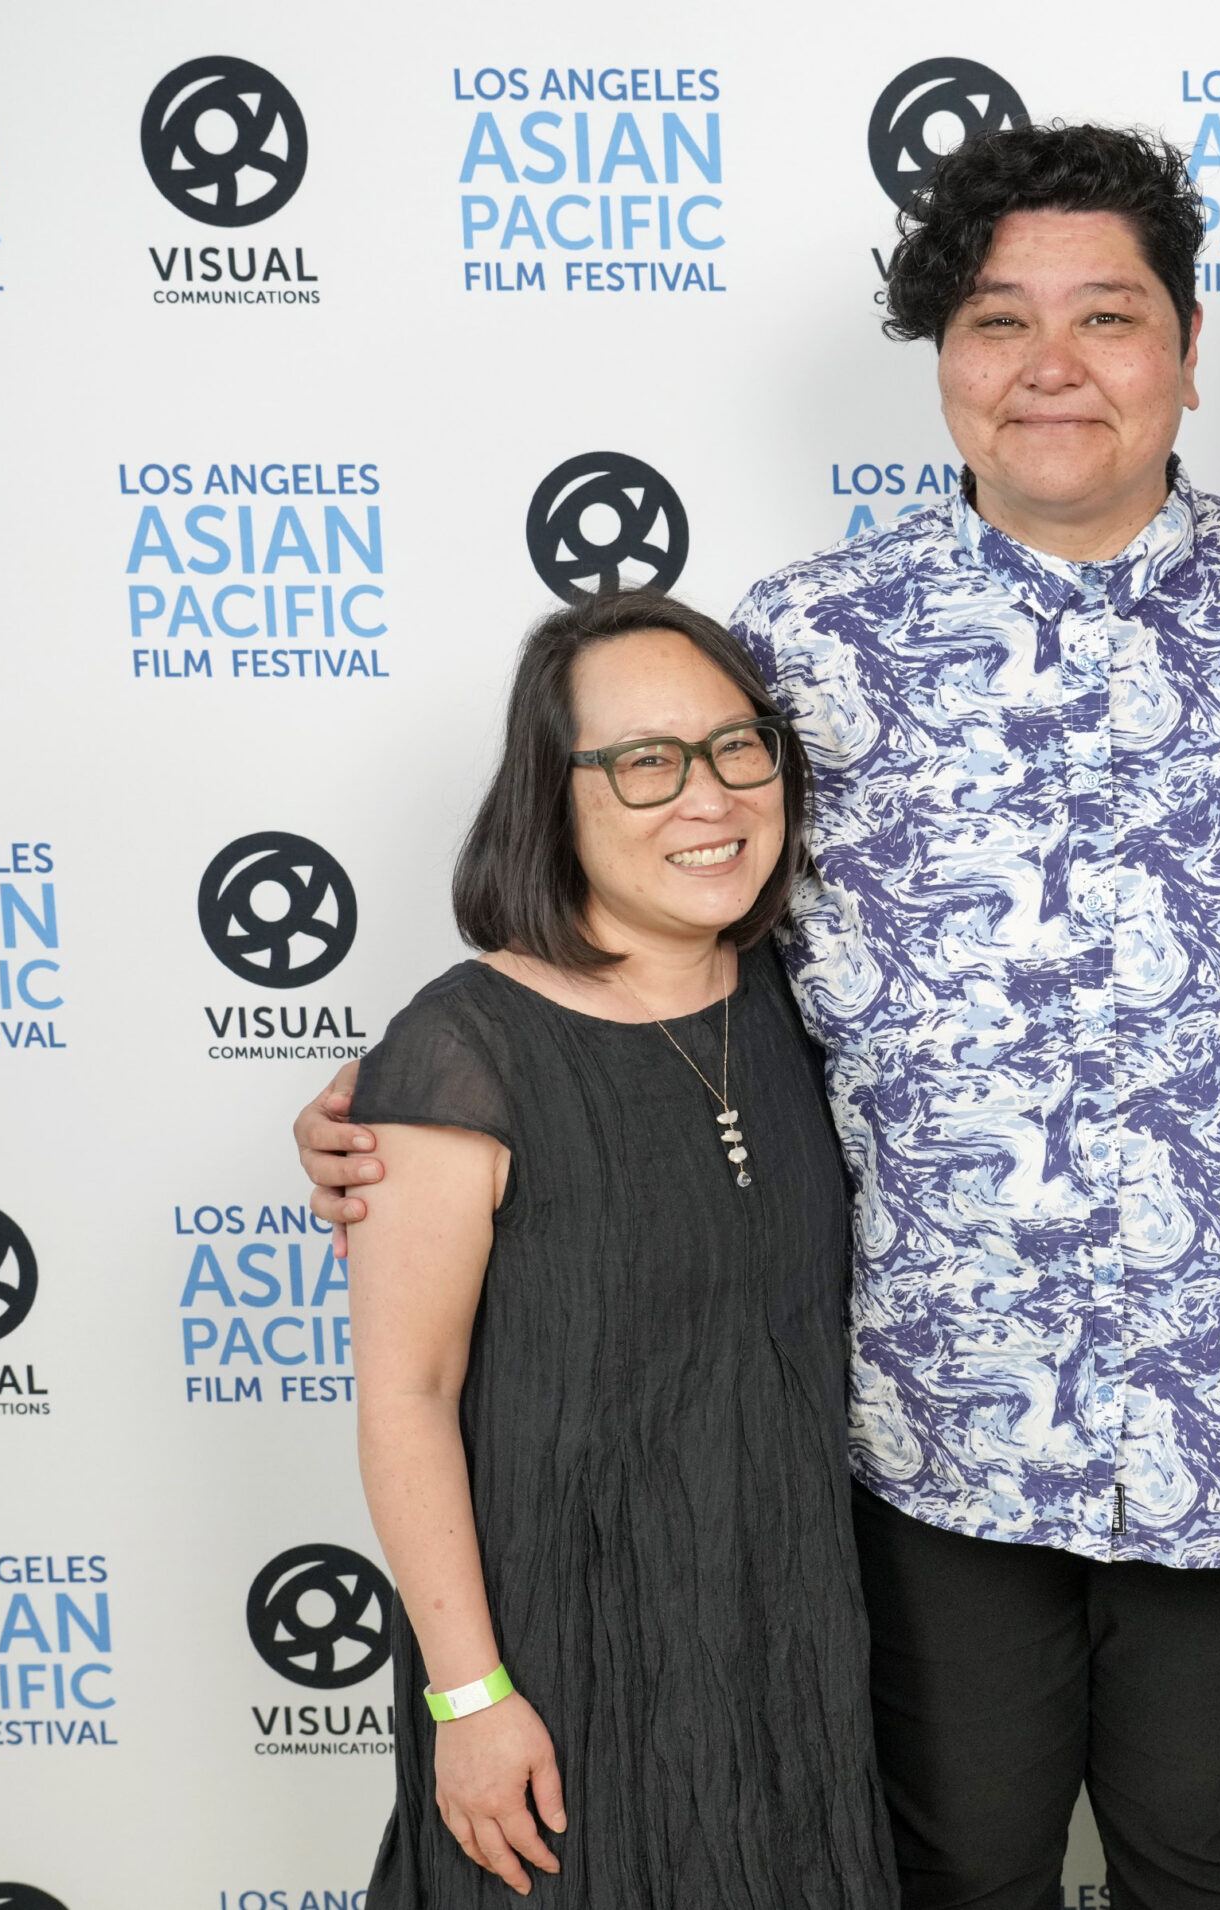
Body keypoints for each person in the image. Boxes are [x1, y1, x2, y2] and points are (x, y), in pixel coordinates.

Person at [299, 124, 1220, 1910]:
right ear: (943, 361)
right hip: (922, 1432)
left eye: (1108, 316)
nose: (1051, 365)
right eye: (997, 319)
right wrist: (430, 1088)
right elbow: (658, 911)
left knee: (1219, 1860)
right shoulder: (809, 644)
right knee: (951, 1870)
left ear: (1191, 351)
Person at [342, 590, 893, 1906]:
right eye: (646, 761)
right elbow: (406, 1394)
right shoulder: (461, 1051)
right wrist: (471, 1697)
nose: (709, 796)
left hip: (788, 1654)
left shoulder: (799, 1001)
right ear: (555, 796)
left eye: (737, 746)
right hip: (558, 1672)